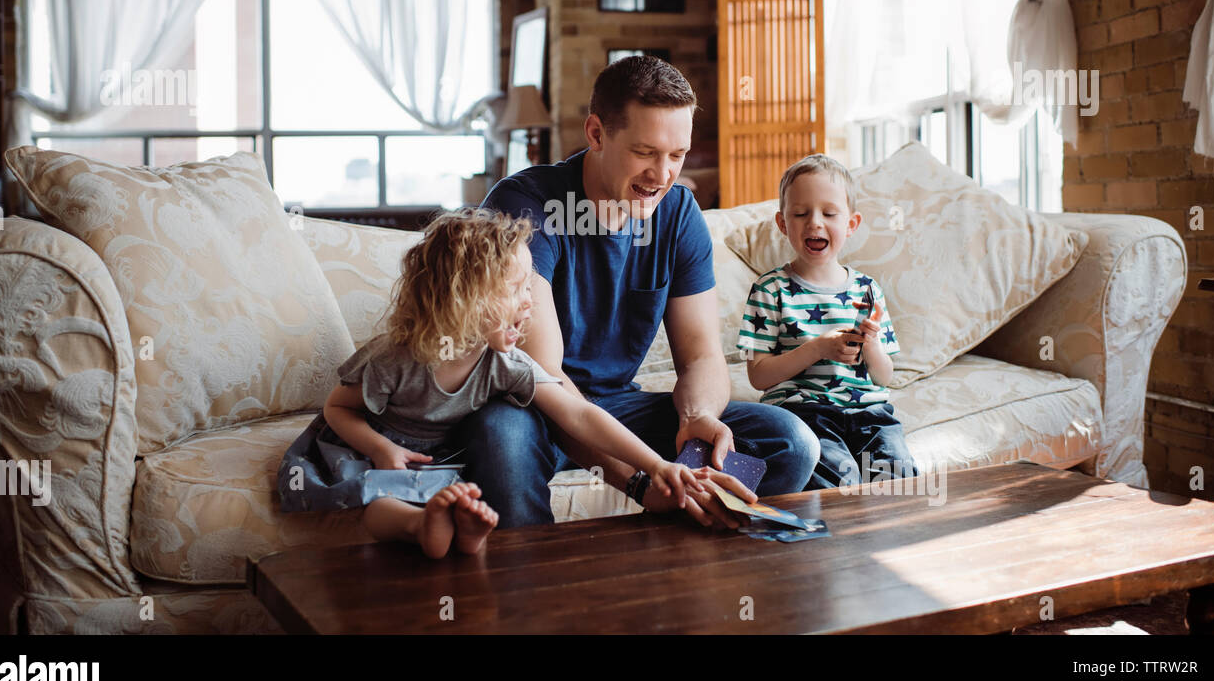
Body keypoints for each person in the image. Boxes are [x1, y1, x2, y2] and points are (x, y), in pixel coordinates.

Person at [475, 55, 820, 528]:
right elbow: (544, 377)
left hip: (620, 408)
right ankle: (536, 593)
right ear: (596, 134)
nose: (662, 176)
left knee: (790, 442)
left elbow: (701, 357)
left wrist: (696, 418)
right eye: (645, 152)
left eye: (677, 155)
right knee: (501, 441)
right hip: (533, 407)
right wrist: (638, 481)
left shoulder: (677, 213)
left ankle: (678, 568)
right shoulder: (524, 206)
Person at [277, 209, 705, 558]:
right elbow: (338, 409)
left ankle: (459, 530)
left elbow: (578, 414)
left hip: (439, 458)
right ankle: (419, 525)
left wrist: (657, 467)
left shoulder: (503, 362)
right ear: (466, 297)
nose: (530, 301)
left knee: (465, 493)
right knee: (379, 504)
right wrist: (380, 449)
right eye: (517, 288)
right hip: (376, 449)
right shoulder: (398, 358)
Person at [737, 154, 917, 489]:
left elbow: (885, 376)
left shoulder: (868, 289)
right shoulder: (770, 289)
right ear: (782, 223)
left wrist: (872, 344)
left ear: (851, 224)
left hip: (871, 415)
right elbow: (759, 376)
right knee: (839, 475)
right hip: (806, 413)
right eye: (801, 213)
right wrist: (818, 348)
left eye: (829, 213)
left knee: (899, 480)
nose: (815, 223)